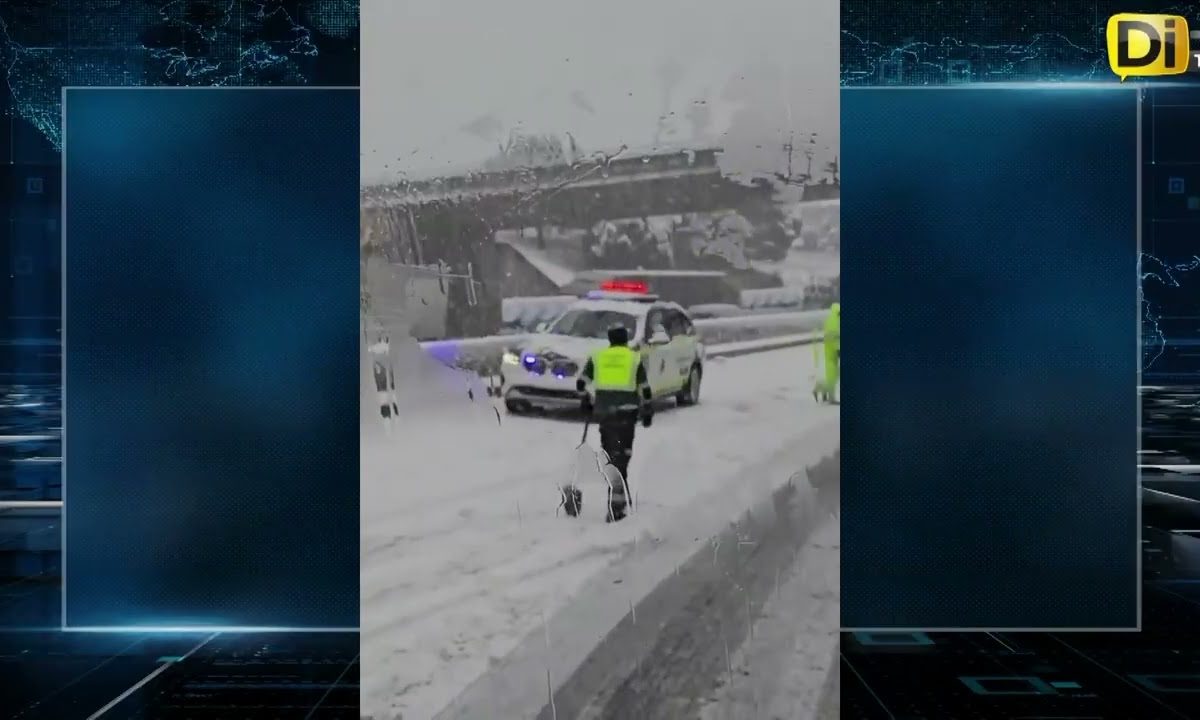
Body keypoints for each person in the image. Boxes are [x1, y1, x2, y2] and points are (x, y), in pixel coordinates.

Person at [577, 324, 653, 521]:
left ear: (610, 339)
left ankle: (617, 494)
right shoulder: (634, 358)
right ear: (625, 339)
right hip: (627, 414)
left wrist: (586, 399)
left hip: (606, 415)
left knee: (611, 454)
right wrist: (648, 410)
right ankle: (618, 501)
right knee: (623, 455)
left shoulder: (598, 357)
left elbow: (581, 383)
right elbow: (645, 388)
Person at [813, 302, 840, 403]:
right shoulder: (834, 321)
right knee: (833, 376)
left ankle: (821, 389)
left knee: (834, 376)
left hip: (830, 353)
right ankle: (829, 397)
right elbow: (834, 337)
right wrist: (838, 349)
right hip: (832, 353)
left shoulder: (831, 319)